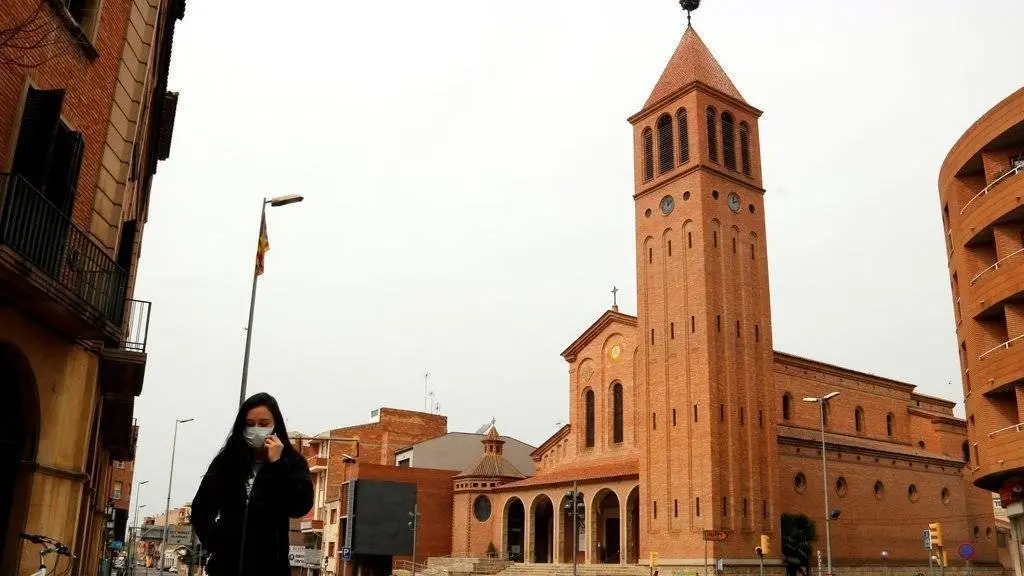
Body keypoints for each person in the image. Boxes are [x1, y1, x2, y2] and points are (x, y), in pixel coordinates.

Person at [191, 393, 314, 575]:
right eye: (250, 424)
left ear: (275, 426)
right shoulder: (227, 462)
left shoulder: (292, 462)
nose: (256, 429)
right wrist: (218, 543)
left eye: (264, 424)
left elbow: (300, 506)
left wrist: (278, 464)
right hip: (225, 569)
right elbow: (200, 509)